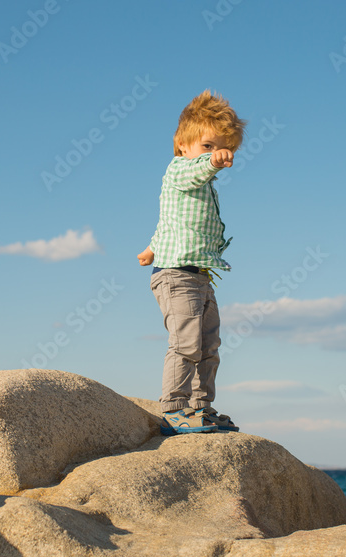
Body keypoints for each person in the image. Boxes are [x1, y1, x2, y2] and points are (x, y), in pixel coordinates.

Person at [137, 90, 246, 435]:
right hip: (176, 277)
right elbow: (193, 174)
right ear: (183, 145)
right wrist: (212, 162)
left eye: (221, 147)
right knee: (185, 344)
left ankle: (201, 406)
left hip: (199, 277)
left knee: (209, 344)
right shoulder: (180, 170)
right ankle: (173, 407)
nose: (214, 154)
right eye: (208, 145)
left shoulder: (203, 188)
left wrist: (151, 247)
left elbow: (171, 221)